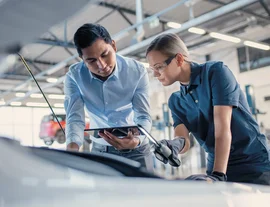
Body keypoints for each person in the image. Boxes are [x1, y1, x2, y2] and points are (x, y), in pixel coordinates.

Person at [146, 33, 270, 185]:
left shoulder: (216, 72)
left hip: (252, 163)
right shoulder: (176, 101)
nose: (155, 74)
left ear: (179, 59)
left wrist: (218, 175)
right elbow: (184, 140)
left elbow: (222, 129)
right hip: (216, 166)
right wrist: (173, 146)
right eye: (152, 69)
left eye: (159, 67)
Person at [64, 23, 153, 171]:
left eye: (105, 54)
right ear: (82, 58)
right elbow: (75, 118)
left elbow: (143, 116)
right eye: (91, 60)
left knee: (143, 193)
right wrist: (72, 150)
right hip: (100, 150)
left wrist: (136, 140)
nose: (102, 65)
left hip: (136, 148)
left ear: (114, 46)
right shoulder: (74, 76)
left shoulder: (137, 71)